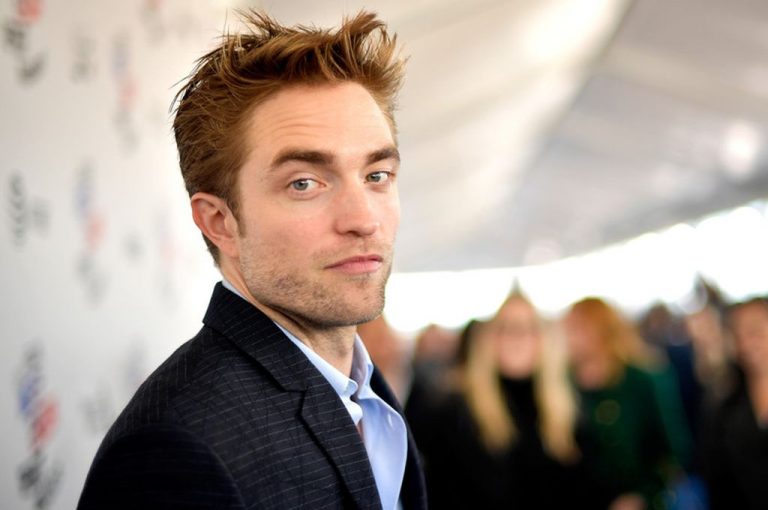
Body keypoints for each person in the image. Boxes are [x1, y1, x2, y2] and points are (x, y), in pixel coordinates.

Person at [77, 10, 426, 510]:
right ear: (220, 222)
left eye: (377, 176)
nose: (364, 219)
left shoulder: (363, 390)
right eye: (304, 183)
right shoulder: (178, 451)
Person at [415, 292, 584, 509]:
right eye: (506, 328)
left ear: (545, 339)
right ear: (488, 339)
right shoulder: (454, 411)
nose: (517, 338)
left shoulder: (568, 410)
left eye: (529, 328)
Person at [563, 297, 692, 510]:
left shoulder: (641, 380)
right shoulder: (563, 384)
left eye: (579, 328)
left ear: (601, 331)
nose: (571, 337)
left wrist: (643, 494)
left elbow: (673, 448)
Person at [703, 297, 768, 510]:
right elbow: (719, 484)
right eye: (737, 334)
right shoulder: (723, 408)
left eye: (755, 331)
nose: (746, 343)